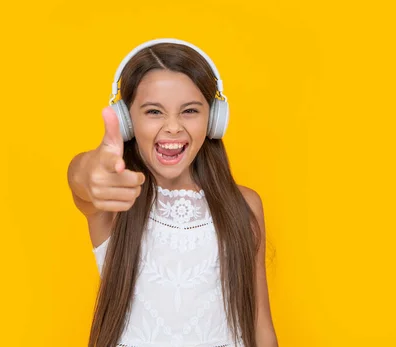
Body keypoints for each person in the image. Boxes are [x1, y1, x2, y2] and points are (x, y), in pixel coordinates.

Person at [67, 38, 278, 347]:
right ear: (127, 121)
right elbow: (81, 180)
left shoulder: (244, 204)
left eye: (189, 111)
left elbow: (262, 328)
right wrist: (86, 170)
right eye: (154, 112)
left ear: (214, 120)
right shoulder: (116, 198)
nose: (173, 128)